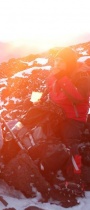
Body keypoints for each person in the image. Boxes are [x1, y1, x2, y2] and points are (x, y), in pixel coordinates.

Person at [40, 47, 90, 188]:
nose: (57, 63)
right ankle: (47, 166)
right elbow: (48, 92)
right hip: (57, 113)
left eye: (61, 61)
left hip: (74, 116)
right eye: (56, 60)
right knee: (43, 134)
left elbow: (78, 97)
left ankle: (75, 177)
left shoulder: (81, 75)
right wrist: (36, 100)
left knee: (70, 143)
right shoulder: (55, 75)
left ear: (69, 62)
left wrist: (62, 78)